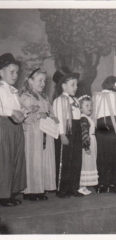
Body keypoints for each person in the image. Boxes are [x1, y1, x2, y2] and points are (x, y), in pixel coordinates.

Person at [20, 68, 57, 201]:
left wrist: (53, 117)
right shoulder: (25, 97)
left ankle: (39, 188)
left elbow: (49, 112)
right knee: (33, 160)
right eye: (39, 80)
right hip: (32, 134)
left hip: (44, 133)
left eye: (44, 81)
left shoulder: (45, 97)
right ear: (30, 81)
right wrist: (37, 115)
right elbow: (24, 117)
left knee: (41, 160)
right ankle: (30, 191)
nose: (42, 84)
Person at [92, 76, 116, 194]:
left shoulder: (96, 95)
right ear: (115, 86)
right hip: (111, 125)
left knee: (101, 155)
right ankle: (113, 185)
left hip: (100, 125)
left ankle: (102, 184)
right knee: (113, 155)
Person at [0, 53, 27, 207]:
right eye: (12, 72)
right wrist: (12, 112)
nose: (15, 75)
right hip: (4, 127)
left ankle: (9, 192)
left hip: (15, 127)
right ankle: (2, 195)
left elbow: (19, 109)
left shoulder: (13, 91)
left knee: (15, 159)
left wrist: (23, 113)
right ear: (0, 72)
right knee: (5, 160)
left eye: (17, 72)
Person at [53, 68, 83, 198]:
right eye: (72, 85)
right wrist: (62, 134)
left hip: (76, 130)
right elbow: (58, 118)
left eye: (76, 84)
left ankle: (73, 187)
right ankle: (62, 188)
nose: (75, 87)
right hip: (66, 131)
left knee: (76, 159)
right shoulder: (59, 100)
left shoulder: (75, 100)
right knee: (64, 160)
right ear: (63, 86)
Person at [78, 95, 98, 195]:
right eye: (86, 105)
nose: (90, 107)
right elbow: (84, 133)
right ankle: (81, 186)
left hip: (92, 141)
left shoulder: (88, 118)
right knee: (85, 164)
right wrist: (86, 146)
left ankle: (84, 185)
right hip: (88, 142)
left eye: (91, 105)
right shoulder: (83, 119)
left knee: (89, 163)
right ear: (80, 108)